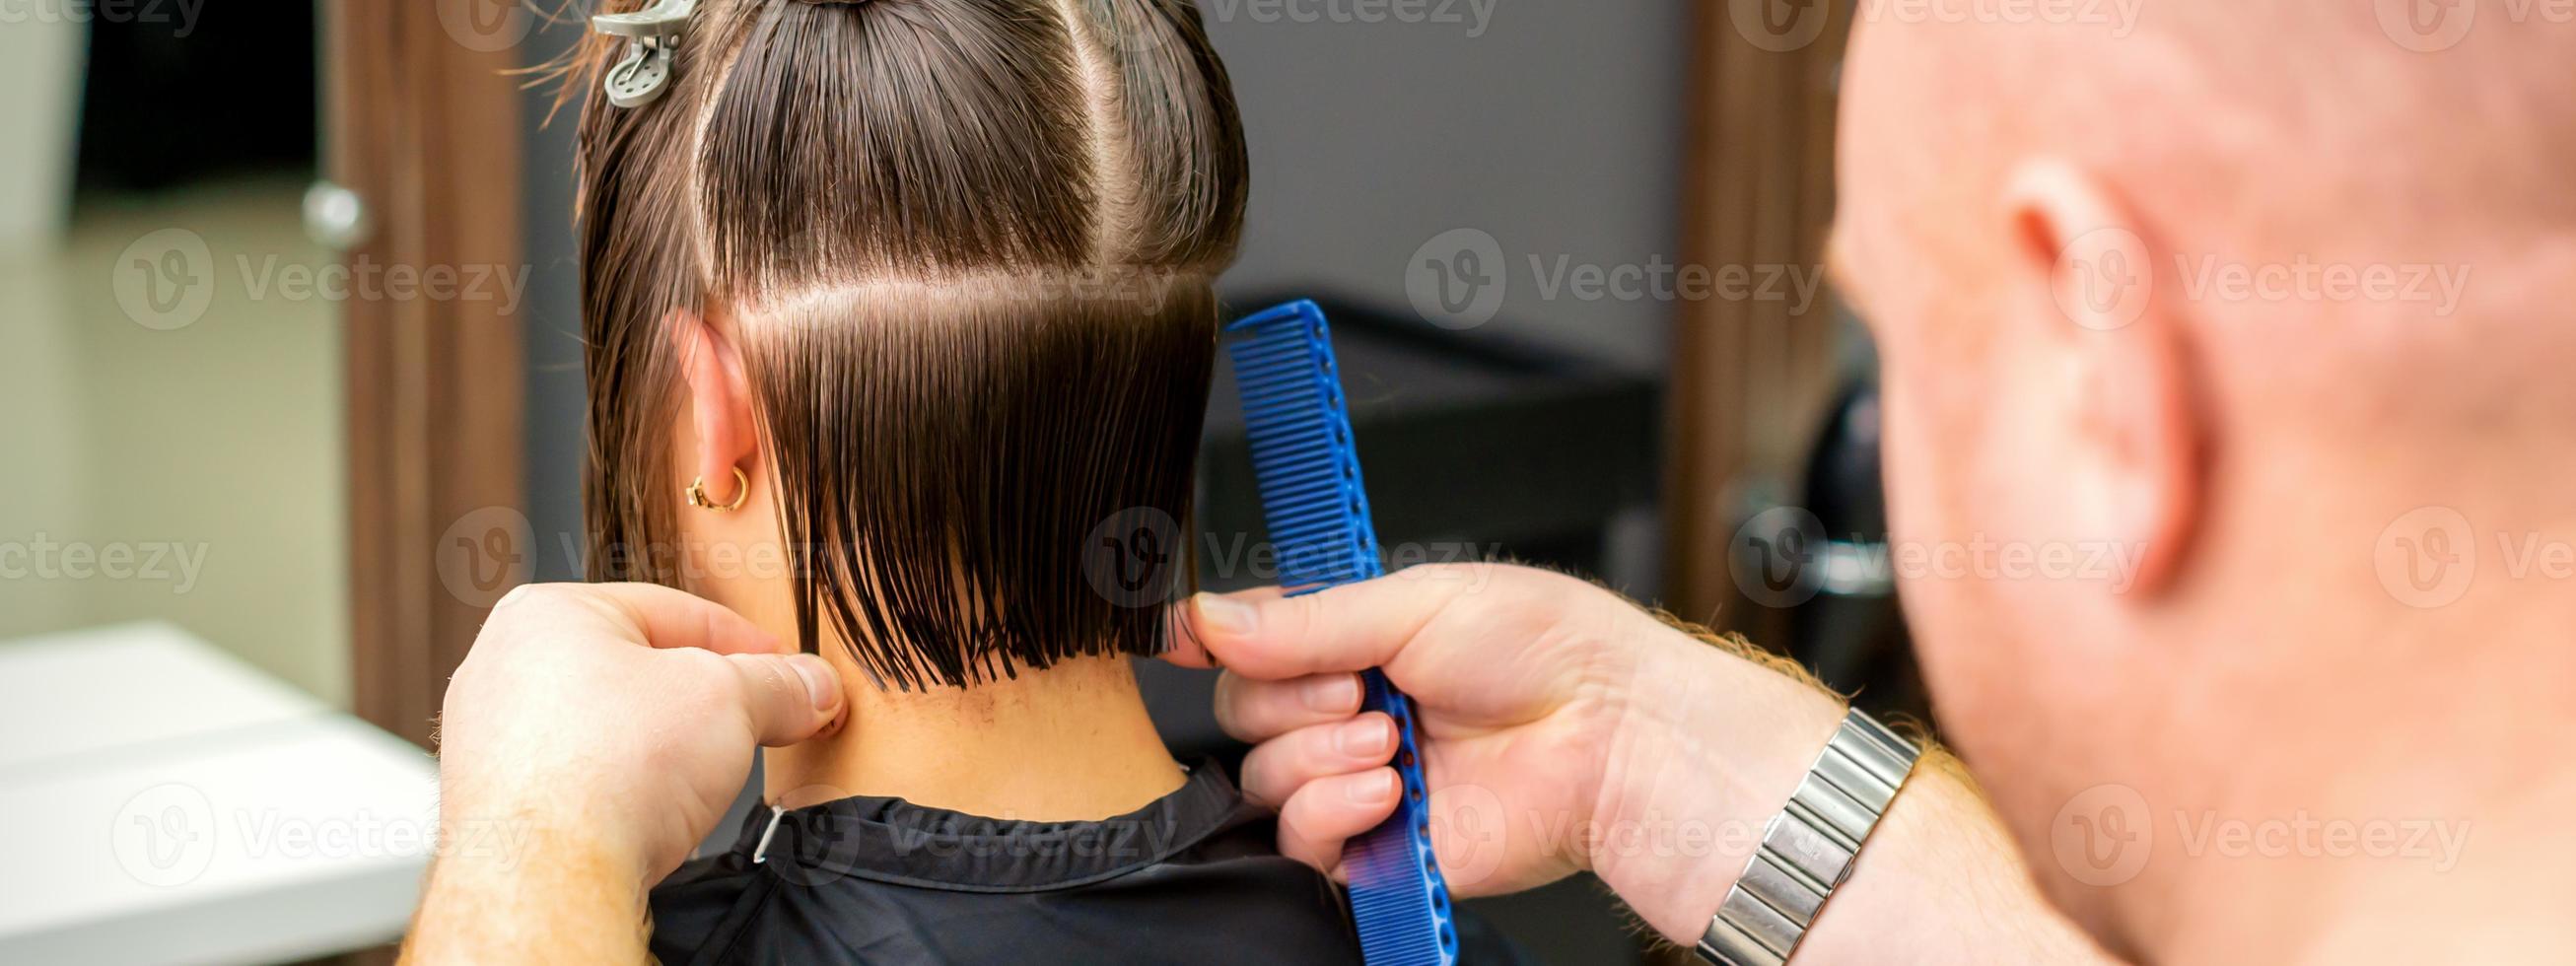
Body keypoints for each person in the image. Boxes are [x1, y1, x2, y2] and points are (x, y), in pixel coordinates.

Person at [411, 3, 2576, 964]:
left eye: (1886, 339)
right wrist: (1661, 755)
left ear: (705, 408)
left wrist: (522, 852)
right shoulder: (1381, 931)